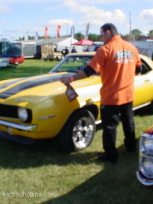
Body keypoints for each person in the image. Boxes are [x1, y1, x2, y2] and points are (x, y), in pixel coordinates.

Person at [60, 23, 142, 164]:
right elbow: (139, 69)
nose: (101, 37)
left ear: (108, 33)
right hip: (128, 94)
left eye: (101, 34)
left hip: (111, 96)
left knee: (110, 127)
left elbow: (89, 71)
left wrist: (70, 79)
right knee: (129, 123)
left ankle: (111, 155)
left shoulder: (105, 49)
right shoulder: (132, 48)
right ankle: (131, 147)